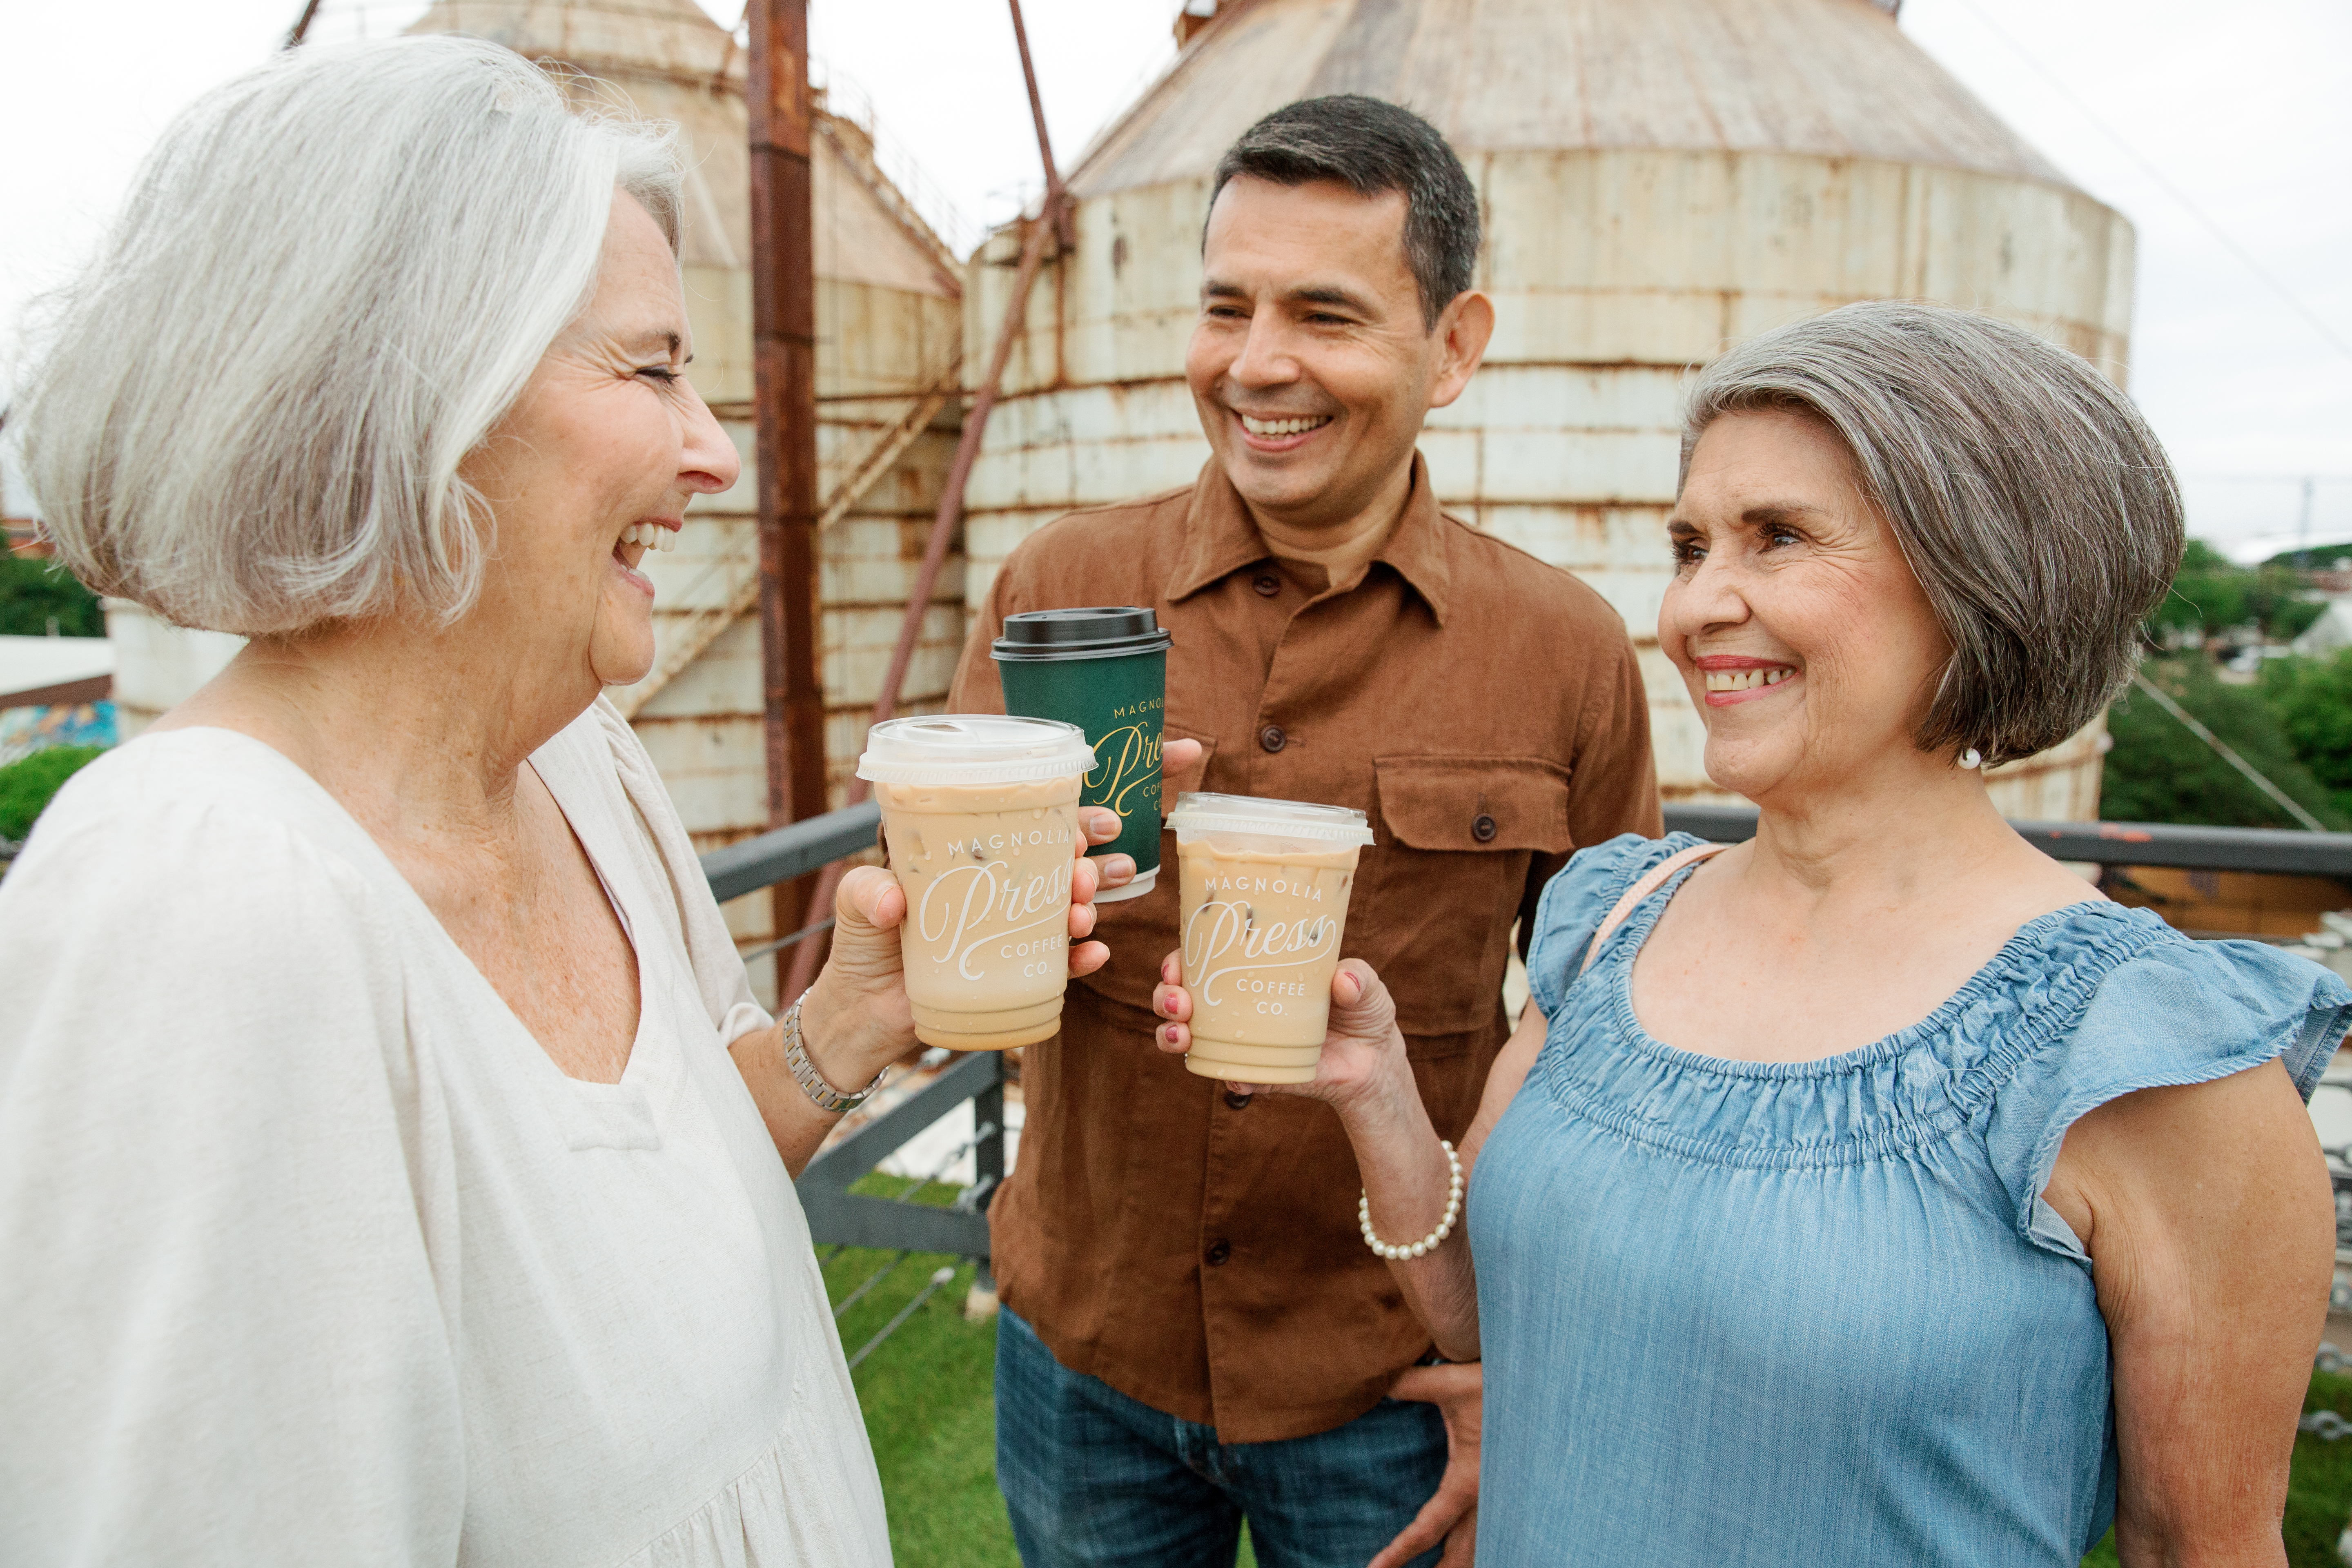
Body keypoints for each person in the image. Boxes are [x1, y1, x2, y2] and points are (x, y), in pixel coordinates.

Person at [0, 37, 1194, 1564]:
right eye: (652, 369)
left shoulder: (581, 761)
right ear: (412, 395)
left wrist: (849, 1025)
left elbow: (656, 1234)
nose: (710, 452)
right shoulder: (202, 906)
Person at [1152, 298, 2352, 1565]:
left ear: (1983, 576)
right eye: (1690, 545)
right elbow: (1490, 1328)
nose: (1695, 609)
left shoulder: (2154, 1060)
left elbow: (2204, 1548)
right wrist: (1375, 1087)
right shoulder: (1612, 917)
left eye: (1777, 539)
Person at [950, 95, 1659, 1568]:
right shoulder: (1059, 591)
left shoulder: (1566, 651)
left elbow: (1602, 1041)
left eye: (1324, 314)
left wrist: (1499, 1356)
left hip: (1386, 1376)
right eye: (1226, 307)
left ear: (1452, 346)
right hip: (1088, 1346)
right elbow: (949, 924)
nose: (1256, 364)